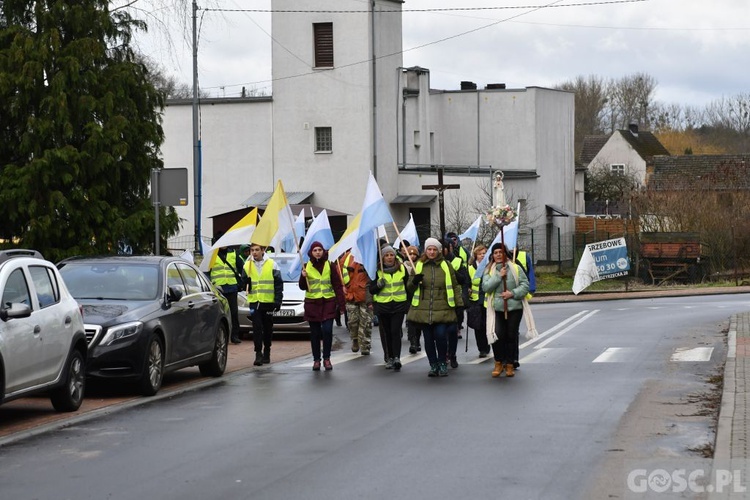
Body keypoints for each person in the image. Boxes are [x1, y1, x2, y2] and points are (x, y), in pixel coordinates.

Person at [406, 238, 464, 377]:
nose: (431, 252)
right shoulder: (418, 265)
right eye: (429, 249)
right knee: (428, 338)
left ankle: (442, 362)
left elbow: (455, 286)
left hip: (443, 308)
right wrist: (414, 281)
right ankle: (433, 365)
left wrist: (459, 304)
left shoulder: (446, 265)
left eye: (434, 249)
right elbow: (409, 288)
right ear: (425, 250)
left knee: (440, 336)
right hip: (424, 309)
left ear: (439, 251)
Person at [482, 243, 529, 378]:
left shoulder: (515, 268)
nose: (498, 255)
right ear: (492, 255)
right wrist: (498, 276)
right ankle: (498, 362)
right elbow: (486, 287)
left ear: (505, 254)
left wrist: (512, 293)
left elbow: (525, 285)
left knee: (511, 336)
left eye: (500, 252)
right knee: (497, 335)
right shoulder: (489, 270)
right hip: (496, 308)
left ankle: (509, 364)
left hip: (514, 308)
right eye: (495, 252)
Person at [299, 241, 346, 371]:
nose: (318, 252)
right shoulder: (306, 266)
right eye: (315, 250)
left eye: (320, 249)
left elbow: (337, 285)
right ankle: (316, 360)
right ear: (311, 252)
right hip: (312, 304)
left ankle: (326, 358)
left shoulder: (330, 265)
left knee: (327, 330)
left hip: (328, 303)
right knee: (315, 333)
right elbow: (302, 286)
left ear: (323, 251)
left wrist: (342, 305)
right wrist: (303, 277)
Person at [369, 246, 409, 370]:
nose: (389, 257)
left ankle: (397, 357)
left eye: (391, 255)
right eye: (387, 255)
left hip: (399, 304)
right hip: (383, 305)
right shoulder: (377, 271)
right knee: (387, 333)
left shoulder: (402, 268)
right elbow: (371, 289)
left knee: (395, 331)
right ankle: (389, 357)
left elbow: (408, 285)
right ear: (383, 257)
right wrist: (378, 285)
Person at [243, 243, 283, 366]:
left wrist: (278, 300)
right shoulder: (247, 265)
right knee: (257, 328)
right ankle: (258, 353)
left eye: (256, 250)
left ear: (262, 251)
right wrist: (245, 282)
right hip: (255, 302)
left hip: (268, 302)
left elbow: (278, 284)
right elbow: (243, 284)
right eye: (252, 250)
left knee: (267, 328)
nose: (254, 252)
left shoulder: (272, 264)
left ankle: (267, 351)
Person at [443, 237, 470, 368]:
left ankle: (452, 354)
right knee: (440, 333)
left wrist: (464, 297)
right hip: (439, 303)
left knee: (452, 330)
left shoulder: (457, 262)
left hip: (455, 301)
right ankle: (443, 355)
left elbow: (464, 280)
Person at [340, 250, 373, 356]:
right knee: (352, 321)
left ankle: (365, 345)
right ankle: (355, 339)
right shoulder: (346, 258)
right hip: (351, 295)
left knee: (366, 321)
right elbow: (340, 272)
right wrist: (343, 285)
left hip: (365, 296)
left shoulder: (368, 254)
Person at [210, 246, 243, 344]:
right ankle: (219, 336)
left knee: (233, 312)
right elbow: (207, 271)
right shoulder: (212, 254)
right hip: (218, 288)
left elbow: (242, 267)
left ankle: (234, 335)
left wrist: (239, 283)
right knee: (219, 313)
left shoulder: (233, 253)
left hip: (231, 287)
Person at [467, 244, 491, 357]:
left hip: (487, 300)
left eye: (484, 253)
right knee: (478, 326)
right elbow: (467, 282)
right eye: (480, 253)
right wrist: (468, 289)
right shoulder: (471, 267)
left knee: (488, 325)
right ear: (476, 255)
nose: (483, 255)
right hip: (475, 301)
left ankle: (488, 345)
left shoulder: (490, 266)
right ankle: (481, 348)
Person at [402, 245, 422, 353]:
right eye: (410, 254)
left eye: (414, 254)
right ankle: (412, 341)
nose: (412, 256)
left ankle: (417, 340)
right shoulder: (403, 266)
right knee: (410, 320)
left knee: (417, 319)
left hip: (417, 295)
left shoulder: (420, 265)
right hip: (407, 296)